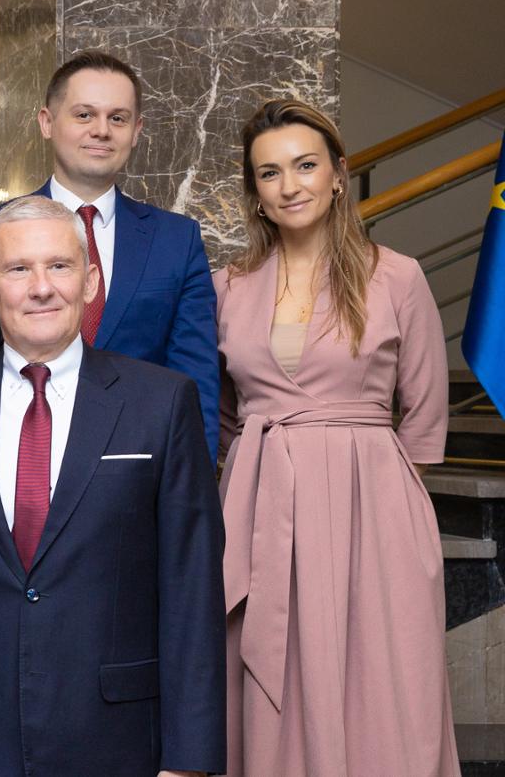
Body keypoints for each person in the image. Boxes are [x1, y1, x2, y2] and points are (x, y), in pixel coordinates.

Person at [0, 195, 224, 777]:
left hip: (116, 741)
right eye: (19, 270)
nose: (42, 287)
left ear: (90, 281)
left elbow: (192, 598)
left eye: (60, 267)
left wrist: (187, 763)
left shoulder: (162, 404)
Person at [218, 99, 456, 775]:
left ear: (339, 175)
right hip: (262, 502)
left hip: (372, 505)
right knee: (270, 680)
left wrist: (382, 508)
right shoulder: (226, 287)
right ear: (255, 193)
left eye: (304, 166)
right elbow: (229, 414)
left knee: (384, 680)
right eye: (270, 173)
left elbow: (425, 411)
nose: (290, 186)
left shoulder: (398, 275)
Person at [0, 50, 217, 461]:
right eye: (84, 115)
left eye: (118, 118)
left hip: (136, 468)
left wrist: (192, 489)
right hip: (21, 454)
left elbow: (195, 380)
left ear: (136, 130)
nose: (102, 130)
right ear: (47, 122)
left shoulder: (176, 240)